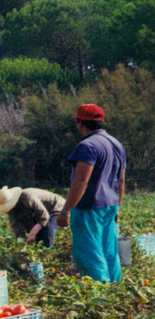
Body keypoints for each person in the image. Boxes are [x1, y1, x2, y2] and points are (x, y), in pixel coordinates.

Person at [56, 104, 127, 283]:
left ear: (81, 124)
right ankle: (115, 290)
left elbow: (81, 181)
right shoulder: (116, 144)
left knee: (89, 253)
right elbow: (121, 181)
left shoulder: (87, 146)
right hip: (110, 205)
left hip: (89, 207)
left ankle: (99, 295)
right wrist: (117, 206)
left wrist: (65, 211)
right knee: (108, 250)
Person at [0, 186, 66, 248]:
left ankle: (47, 253)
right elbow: (18, 230)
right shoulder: (11, 210)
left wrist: (32, 233)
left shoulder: (27, 197)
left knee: (48, 229)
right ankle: (38, 256)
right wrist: (21, 247)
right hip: (41, 212)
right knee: (36, 235)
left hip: (56, 208)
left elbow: (44, 216)